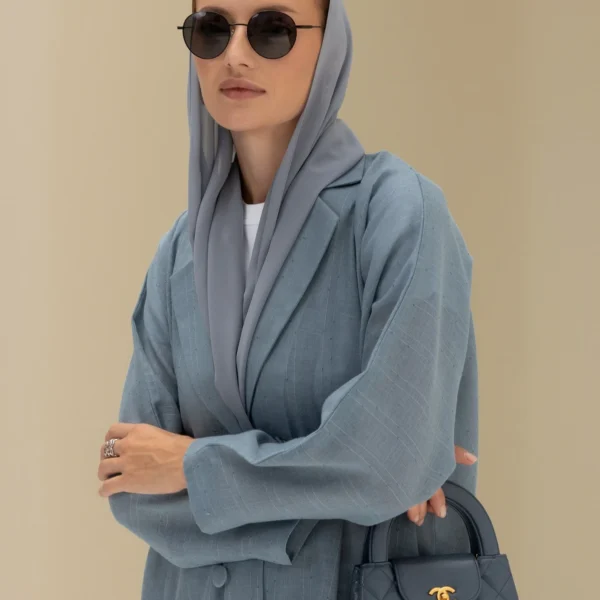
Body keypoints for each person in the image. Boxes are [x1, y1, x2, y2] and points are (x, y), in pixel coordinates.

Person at [97, 0, 480, 598]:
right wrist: (343, 484)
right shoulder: (180, 251)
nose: (236, 55)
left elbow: (387, 460)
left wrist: (192, 467)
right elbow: (131, 484)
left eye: (272, 29)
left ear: (330, 45)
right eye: (212, 29)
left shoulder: (397, 212)